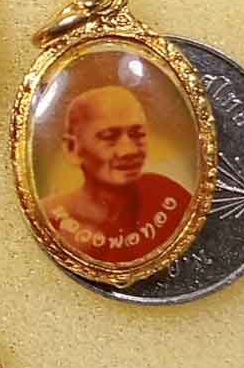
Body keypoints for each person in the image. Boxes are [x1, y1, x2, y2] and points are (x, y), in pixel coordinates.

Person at [42, 86, 191, 263]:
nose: (129, 150)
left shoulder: (169, 198)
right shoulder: (48, 219)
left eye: (138, 134)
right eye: (108, 137)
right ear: (72, 148)